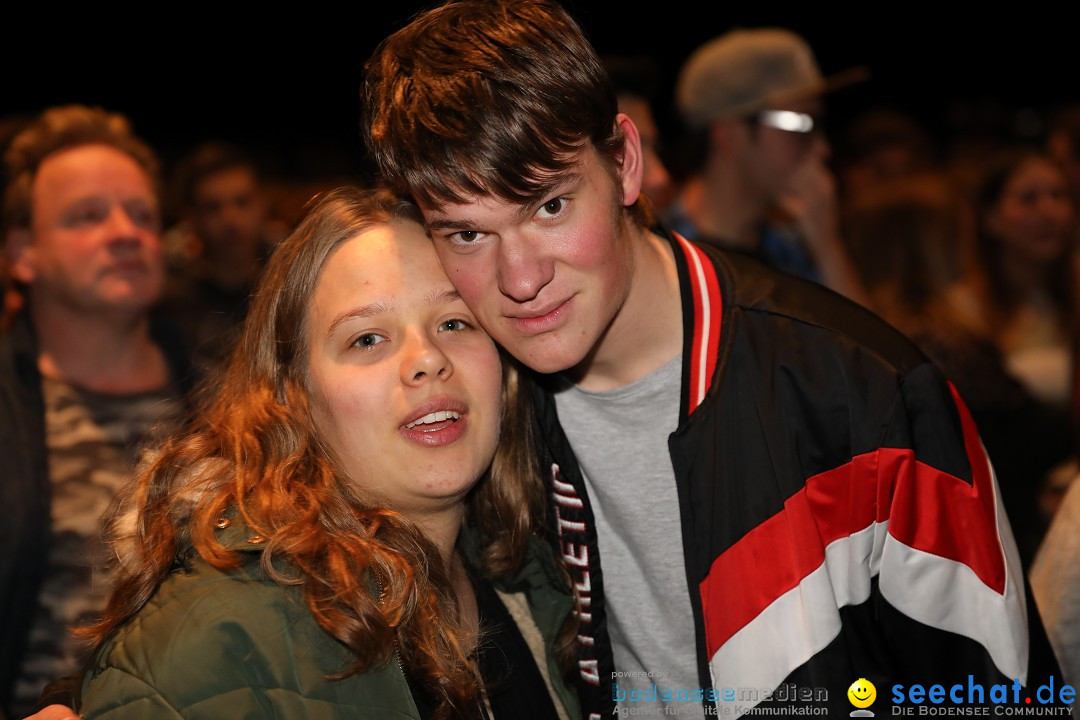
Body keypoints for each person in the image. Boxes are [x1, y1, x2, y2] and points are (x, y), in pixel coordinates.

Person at [362, 1, 1061, 717]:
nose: (520, 279)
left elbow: (998, 692)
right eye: (468, 236)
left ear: (627, 163)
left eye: (549, 207)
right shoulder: (477, 404)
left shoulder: (862, 391)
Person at [69, 187, 579, 719]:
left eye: (454, 323)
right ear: (294, 398)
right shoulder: (218, 642)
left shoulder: (530, 586)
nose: (427, 359)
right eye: (367, 339)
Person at [0, 105, 190, 719]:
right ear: (23, 253)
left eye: (141, 215)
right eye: (87, 216)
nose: (124, 232)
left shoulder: (231, 398)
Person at [664, 27, 868, 303]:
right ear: (729, 133)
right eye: (800, 123)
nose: (822, 149)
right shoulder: (662, 251)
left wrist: (827, 246)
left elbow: (859, 345)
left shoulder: (790, 249)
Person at [158, 140, 286, 380]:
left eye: (242, 202)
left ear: (262, 204)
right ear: (191, 217)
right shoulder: (173, 306)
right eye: (213, 207)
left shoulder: (288, 290)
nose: (230, 218)